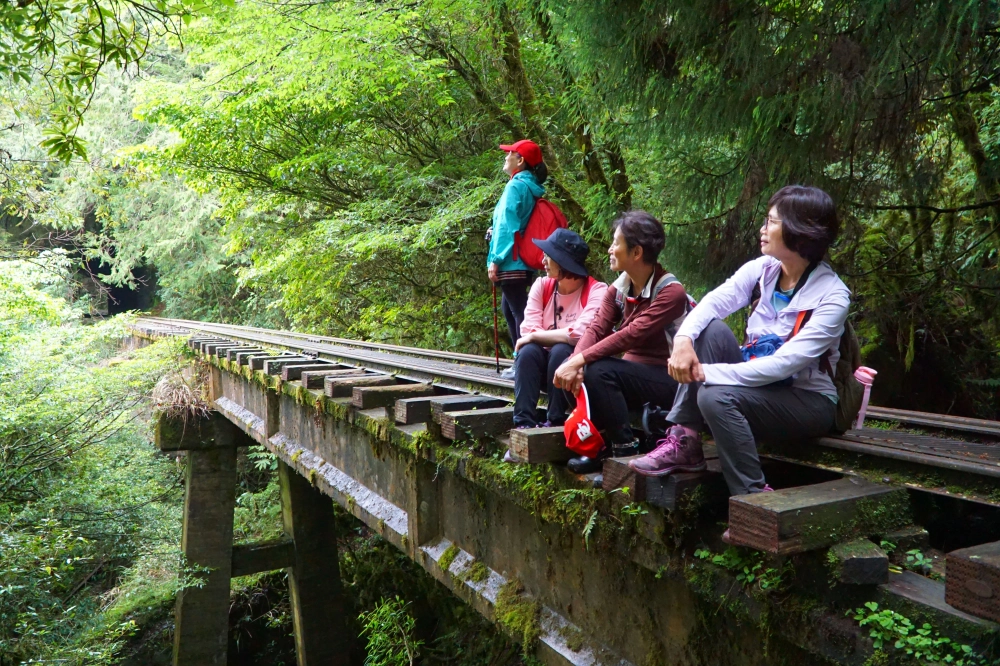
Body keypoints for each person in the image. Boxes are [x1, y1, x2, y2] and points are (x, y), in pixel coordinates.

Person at [628, 186, 849, 516]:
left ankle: (754, 499)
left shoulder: (832, 297)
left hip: (808, 401)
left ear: (799, 231)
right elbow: (715, 302)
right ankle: (685, 439)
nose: (762, 229)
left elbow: (784, 365)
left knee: (714, 397)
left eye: (771, 221)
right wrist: (685, 339)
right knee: (709, 328)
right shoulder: (763, 270)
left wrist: (707, 373)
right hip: (757, 386)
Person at [553, 211, 692, 474]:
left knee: (598, 369)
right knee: (569, 366)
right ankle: (599, 447)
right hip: (637, 377)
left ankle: (625, 450)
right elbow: (596, 328)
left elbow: (630, 335)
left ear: (636, 252)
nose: (610, 249)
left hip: (670, 380)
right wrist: (575, 362)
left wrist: (581, 360)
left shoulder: (671, 292)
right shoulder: (619, 288)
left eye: (616, 243)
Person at [512, 228, 608, 432]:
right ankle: (523, 423)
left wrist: (537, 336)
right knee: (527, 351)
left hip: (572, 372)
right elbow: (528, 327)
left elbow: (580, 334)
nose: (543, 260)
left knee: (561, 350)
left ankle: (554, 420)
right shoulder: (542, 285)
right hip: (541, 370)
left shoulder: (597, 291)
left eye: (548, 256)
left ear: (563, 261)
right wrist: (536, 336)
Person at [488, 139, 548, 380]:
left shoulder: (515, 186)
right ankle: (521, 360)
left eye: (509, 154)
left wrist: (495, 258)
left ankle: (525, 364)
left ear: (520, 161)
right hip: (521, 258)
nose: (505, 157)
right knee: (511, 307)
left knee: (519, 311)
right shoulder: (527, 185)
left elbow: (507, 224)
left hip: (510, 259)